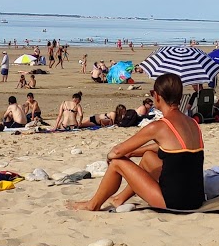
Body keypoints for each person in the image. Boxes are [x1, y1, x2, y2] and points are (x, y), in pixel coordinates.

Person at [70, 74, 204, 212]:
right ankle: (119, 199)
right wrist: (133, 152)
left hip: (173, 202)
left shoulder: (159, 126)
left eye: (153, 93)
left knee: (117, 163)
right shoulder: (193, 123)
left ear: (157, 96)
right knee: (148, 157)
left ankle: (93, 205)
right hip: (195, 199)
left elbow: (117, 151)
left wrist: (110, 157)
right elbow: (170, 147)